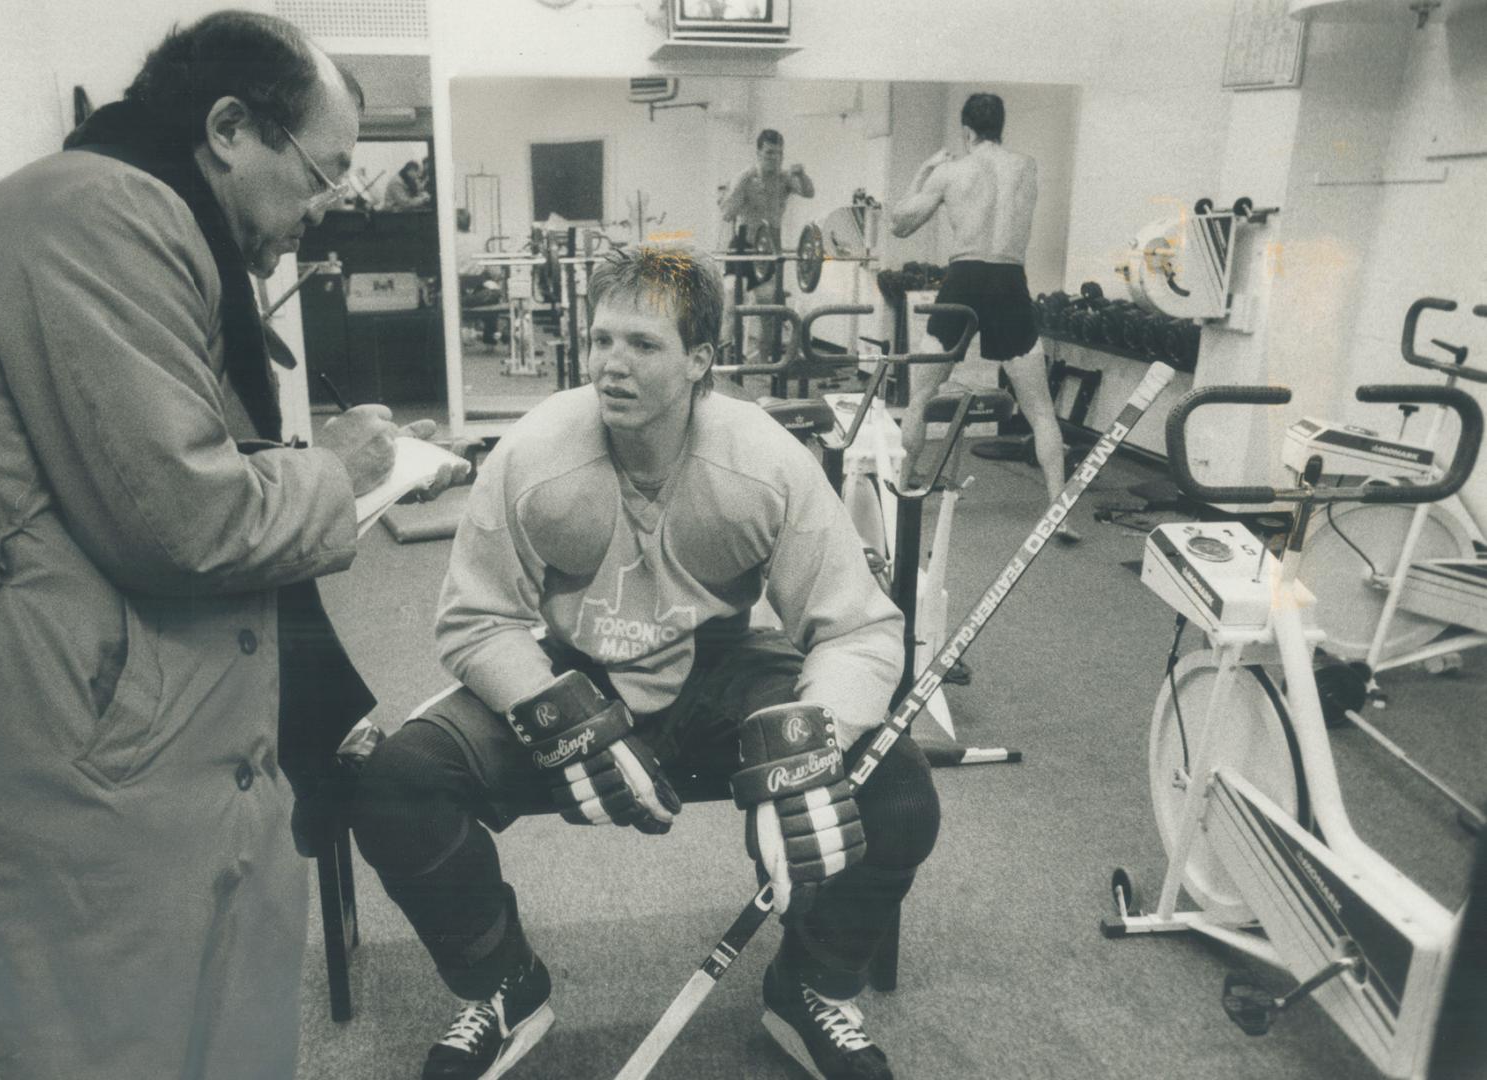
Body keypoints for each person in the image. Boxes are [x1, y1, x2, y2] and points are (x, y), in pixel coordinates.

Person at [0, 12, 464, 1080]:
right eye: (323, 172)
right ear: (231, 127)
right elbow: (184, 521)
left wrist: (319, 470)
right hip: (45, 752)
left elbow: (162, 467)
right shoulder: (100, 212)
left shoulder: (121, 210)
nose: (328, 208)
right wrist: (335, 472)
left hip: (103, 729)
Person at [353, 246, 940, 1080]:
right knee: (396, 781)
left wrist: (816, 740)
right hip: (571, 668)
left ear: (700, 361)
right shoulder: (534, 456)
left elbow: (859, 629)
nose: (610, 365)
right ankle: (504, 986)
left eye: (642, 345)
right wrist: (561, 718)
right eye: (600, 341)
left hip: (722, 669)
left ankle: (808, 986)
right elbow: (475, 621)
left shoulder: (763, 462)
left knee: (897, 786)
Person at [889, 92, 1075, 538]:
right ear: (1001, 128)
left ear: (966, 131)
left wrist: (924, 171)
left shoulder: (952, 172)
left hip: (964, 279)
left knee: (920, 396)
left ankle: (902, 490)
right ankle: (1058, 512)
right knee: (1041, 411)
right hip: (1010, 280)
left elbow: (899, 224)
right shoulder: (1027, 166)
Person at [720, 129, 814, 363]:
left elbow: (809, 192)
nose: (775, 158)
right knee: (731, 304)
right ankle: (721, 361)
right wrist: (737, 189)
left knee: (769, 311)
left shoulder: (785, 179)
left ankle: (765, 364)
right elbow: (727, 213)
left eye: (779, 153)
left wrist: (802, 175)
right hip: (743, 244)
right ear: (758, 153)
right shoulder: (746, 178)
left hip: (770, 247)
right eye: (770, 153)